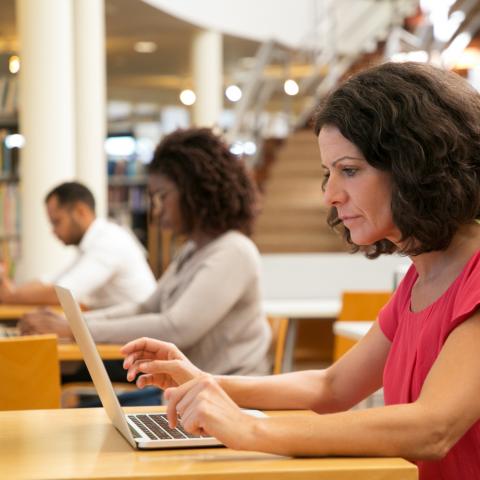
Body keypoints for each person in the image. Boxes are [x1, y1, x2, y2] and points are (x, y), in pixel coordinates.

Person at [121, 62, 480, 480]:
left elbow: (432, 428)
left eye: (349, 170)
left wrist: (253, 428)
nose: (330, 194)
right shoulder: (422, 278)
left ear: (415, 168)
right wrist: (208, 383)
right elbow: (331, 388)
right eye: (328, 174)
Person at [21, 128, 271, 380]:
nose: (157, 212)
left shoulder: (233, 251)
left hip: (230, 403)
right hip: (190, 396)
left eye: (162, 197)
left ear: (195, 191)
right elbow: (145, 307)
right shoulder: (193, 251)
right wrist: (70, 322)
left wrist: (73, 327)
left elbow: (175, 328)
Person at [0, 181, 156, 309]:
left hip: (139, 338)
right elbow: (50, 280)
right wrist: (12, 291)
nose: (53, 231)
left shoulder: (109, 242)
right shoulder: (93, 242)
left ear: (81, 211)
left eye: (57, 222)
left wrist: (11, 295)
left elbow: (63, 294)